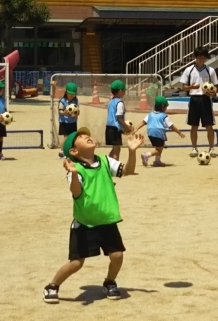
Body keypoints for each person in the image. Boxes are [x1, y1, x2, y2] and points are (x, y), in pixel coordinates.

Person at [42, 127, 145, 304]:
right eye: (81, 137)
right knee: (76, 263)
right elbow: (76, 192)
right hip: (85, 223)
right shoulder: (76, 169)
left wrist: (132, 151)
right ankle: (52, 286)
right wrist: (73, 174)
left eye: (86, 135)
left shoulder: (105, 161)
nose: (87, 137)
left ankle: (110, 282)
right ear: (74, 151)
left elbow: (127, 170)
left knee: (117, 256)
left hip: (106, 220)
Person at [179, 47, 218, 158]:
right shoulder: (189, 70)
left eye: (204, 57)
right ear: (195, 57)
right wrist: (192, 87)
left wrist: (212, 92)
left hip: (206, 99)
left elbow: (215, 86)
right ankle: (194, 148)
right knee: (194, 125)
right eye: (200, 57)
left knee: (209, 125)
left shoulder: (210, 70)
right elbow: (183, 87)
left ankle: (211, 148)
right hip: (194, 99)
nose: (202, 59)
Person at [133, 95, 185, 167]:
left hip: (150, 133)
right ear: (163, 106)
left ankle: (157, 161)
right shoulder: (164, 116)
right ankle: (146, 155)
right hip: (159, 133)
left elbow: (143, 122)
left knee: (159, 146)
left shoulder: (150, 114)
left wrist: (136, 128)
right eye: (166, 106)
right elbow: (171, 126)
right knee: (159, 150)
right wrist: (179, 133)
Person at [105, 80, 132, 161]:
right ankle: (115, 168)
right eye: (124, 90)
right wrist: (126, 127)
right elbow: (119, 117)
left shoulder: (111, 101)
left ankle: (108, 165)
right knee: (117, 150)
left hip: (108, 127)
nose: (124, 92)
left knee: (114, 149)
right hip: (115, 129)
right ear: (120, 91)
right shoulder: (119, 103)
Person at [57, 82, 79, 159]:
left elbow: (77, 110)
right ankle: (61, 152)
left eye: (73, 95)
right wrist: (64, 113)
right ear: (66, 92)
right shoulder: (62, 101)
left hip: (73, 122)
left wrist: (76, 113)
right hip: (64, 122)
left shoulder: (75, 100)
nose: (71, 96)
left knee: (72, 137)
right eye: (70, 95)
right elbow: (60, 111)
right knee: (66, 137)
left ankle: (70, 151)